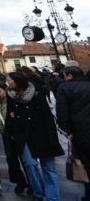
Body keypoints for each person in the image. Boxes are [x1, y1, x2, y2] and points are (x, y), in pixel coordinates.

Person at [6, 70, 63, 201]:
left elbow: (47, 118)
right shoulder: (11, 95)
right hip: (23, 135)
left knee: (48, 167)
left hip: (42, 134)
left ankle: (53, 197)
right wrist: (10, 133)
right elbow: (10, 114)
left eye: (9, 80)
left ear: (18, 81)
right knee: (30, 165)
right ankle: (38, 193)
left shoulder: (37, 94)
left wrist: (53, 139)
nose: (7, 83)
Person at [57, 66, 90, 201]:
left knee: (85, 162)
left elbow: (62, 113)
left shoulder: (64, 88)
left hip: (79, 131)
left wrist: (67, 131)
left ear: (69, 75)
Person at [0, 82, 29, 195]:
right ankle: (20, 183)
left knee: (25, 160)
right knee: (11, 160)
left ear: (6, 90)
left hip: (17, 135)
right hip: (5, 135)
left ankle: (31, 182)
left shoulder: (12, 101)